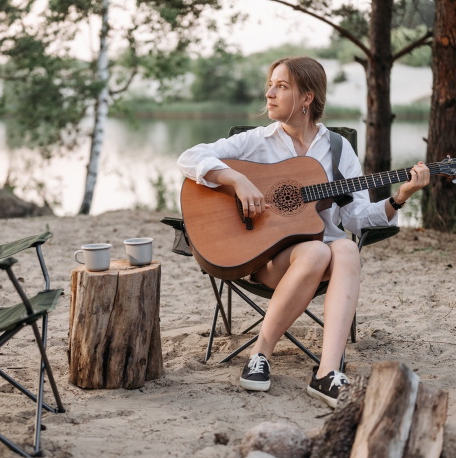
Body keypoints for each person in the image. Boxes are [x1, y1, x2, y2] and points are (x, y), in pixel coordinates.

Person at [176, 56, 430, 408]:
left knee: (342, 248)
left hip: (323, 259)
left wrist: (399, 198)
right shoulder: (257, 141)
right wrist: (237, 180)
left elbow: (356, 218)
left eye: (281, 87)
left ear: (307, 98)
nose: (269, 94)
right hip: (264, 258)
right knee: (318, 251)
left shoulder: (339, 150)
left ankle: (327, 373)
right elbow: (189, 157)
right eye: (270, 85)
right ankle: (260, 354)